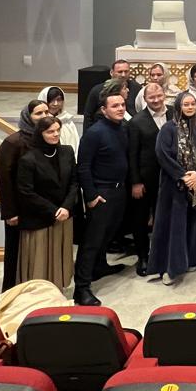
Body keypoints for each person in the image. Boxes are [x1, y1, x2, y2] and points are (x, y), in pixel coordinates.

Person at [147, 92, 196, 284]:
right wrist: (184, 176)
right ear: (178, 106)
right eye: (186, 104)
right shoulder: (168, 128)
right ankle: (170, 269)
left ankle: (192, 259)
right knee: (174, 226)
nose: (190, 107)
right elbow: (162, 154)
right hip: (174, 185)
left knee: (195, 222)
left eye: (193, 104)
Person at [74, 89, 132, 305]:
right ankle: (81, 288)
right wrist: (91, 195)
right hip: (101, 193)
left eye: (122, 105)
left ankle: (100, 267)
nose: (120, 109)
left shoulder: (122, 128)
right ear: (103, 109)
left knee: (108, 234)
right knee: (92, 241)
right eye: (115, 106)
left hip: (119, 190)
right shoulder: (94, 133)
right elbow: (83, 166)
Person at [15, 115, 77, 289]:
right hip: (40, 218)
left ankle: (57, 290)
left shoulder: (67, 151)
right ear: (40, 133)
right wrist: (54, 210)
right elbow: (26, 192)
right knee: (40, 260)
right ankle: (38, 293)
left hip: (64, 215)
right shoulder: (28, 159)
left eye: (58, 130)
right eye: (50, 131)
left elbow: (74, 182)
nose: (55, 134)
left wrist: (66, 207)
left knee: (60, 256)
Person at [0, 98, 48, 291]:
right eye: (38, 113)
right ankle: (10, 291)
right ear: (28, 116)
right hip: (19, 208)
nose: (44, 116)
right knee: (15, 252)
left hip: (39, 206)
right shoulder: (13, 142)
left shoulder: (46, 138)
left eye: (46, 112)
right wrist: (10, 212)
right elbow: (4, 179)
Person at [126, 82, 168, 276]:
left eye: (159, 96)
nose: (156, 100)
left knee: (164, 216)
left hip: (168, 177)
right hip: (145, 179)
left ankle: (163, 254)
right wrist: (135, 182)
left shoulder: (174, 113)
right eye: (151, 97)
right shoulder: (136, 122)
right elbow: (132, 154)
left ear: (164, 94)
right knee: (141, 219)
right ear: (145, 99)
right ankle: (143, 256)